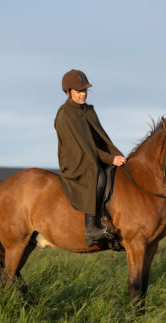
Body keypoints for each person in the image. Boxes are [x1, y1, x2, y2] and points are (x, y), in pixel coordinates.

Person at [54, 69, 127, 247]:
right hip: (76, 159)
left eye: (85, 90)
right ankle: (91, 228)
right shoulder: (65, 115)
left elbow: (100, 140)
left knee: (114, 173)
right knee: (99, 176)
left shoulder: (88, 111)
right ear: (68, 92)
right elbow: (84, 148)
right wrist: (110, 159)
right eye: (79, 91)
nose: (83, 94)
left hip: (91, 154)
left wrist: (116, 155)